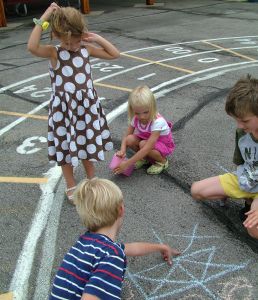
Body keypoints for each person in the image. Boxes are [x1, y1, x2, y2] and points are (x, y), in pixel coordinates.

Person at [27, 3, 119, 202]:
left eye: (75, 42)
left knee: (86, 143)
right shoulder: (54, 52)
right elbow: (32, 47)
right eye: (67, 43)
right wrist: (44, 17)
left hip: (86, 109)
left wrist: (96, 38)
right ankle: (70, 183)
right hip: (63, 112)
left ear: (82, 35)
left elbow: (115, 54)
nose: (71, 47)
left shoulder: (87, 49)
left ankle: (92, 178)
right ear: (57, 36)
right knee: (65, 147)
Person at [49, 177, 180, 299]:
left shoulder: (87, 242)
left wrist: (160, 247)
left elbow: (130, 248)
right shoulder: (111, 256)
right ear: (121, 210)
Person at [191, 74, 258, 240]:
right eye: (236, 120)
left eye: (245, 120)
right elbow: (241, 162)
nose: (240, 125)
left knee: (252, 228)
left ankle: (252, 200)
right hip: (247, 178)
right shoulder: (242, 133)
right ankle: (246, 197)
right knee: (196, 190)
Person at [114, 85, 175, 175]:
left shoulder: (157, 121)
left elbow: (147, 147)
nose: (142, 116)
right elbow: (126, 136)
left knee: (143, 144)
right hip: (147, 141)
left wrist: (127, 163)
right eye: (137, 113)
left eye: (146, 112)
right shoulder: (135, 118)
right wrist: (122, 150)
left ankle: (162, 162)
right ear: (132, 110)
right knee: (129, 139)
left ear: (152, 107)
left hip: (162, 144)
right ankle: (146, 159)